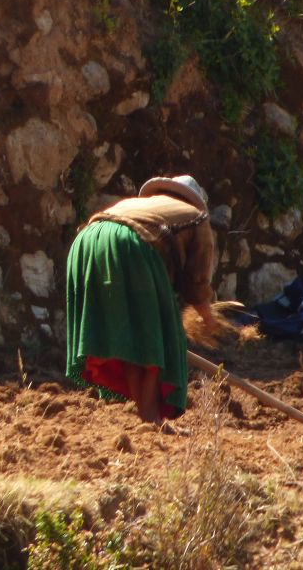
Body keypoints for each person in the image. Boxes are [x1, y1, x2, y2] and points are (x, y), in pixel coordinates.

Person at [66, 175, 217, 425]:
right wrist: (210, 321)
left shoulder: (142, 207)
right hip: (129, 246)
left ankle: (150, 419)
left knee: (134, 343)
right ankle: (151, 419)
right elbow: (197, 282)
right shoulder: (197, 216)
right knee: (157, 340)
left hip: (87, 243)